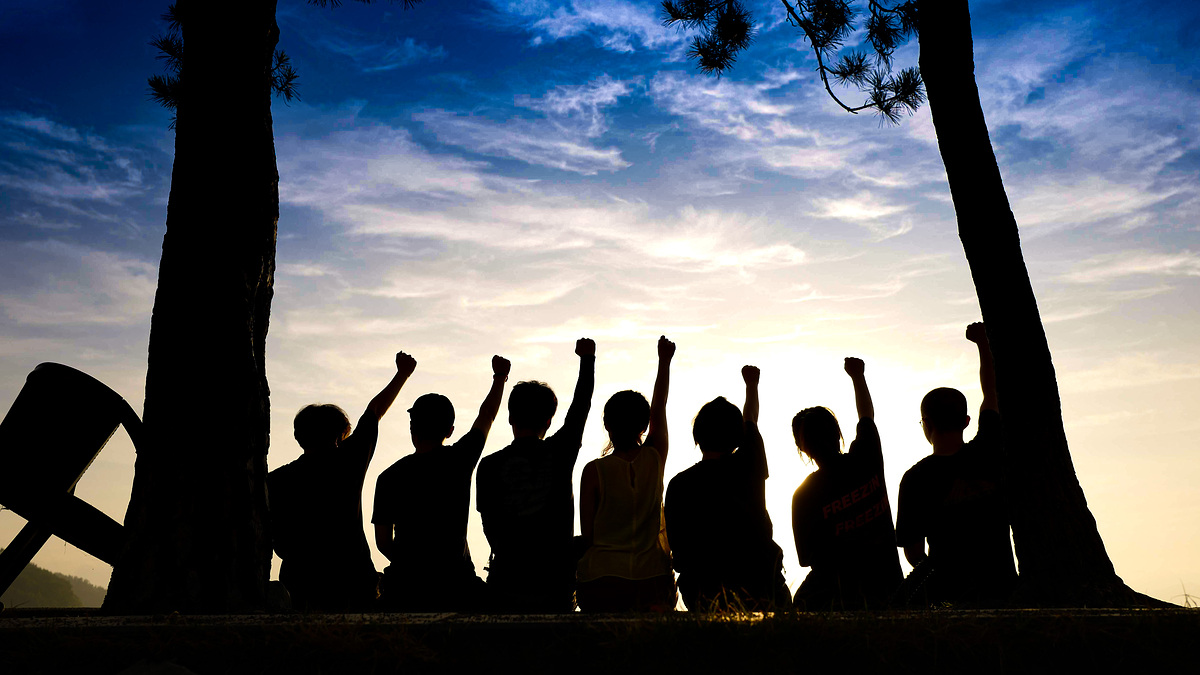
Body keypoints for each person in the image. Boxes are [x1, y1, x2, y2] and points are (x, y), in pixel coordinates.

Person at [269, 351, 416, 611]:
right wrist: (402, 374)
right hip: (352, 581)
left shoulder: (275, 480)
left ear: (299, 436)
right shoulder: (348, 461)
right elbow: (374, 411)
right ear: (339, 436)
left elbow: (277, 541)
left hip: (300, 584)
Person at [372, 354, 511, 612]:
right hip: (456, 585)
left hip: (404, 589)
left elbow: (383, 542)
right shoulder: (460, 459)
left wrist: (413, 566)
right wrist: (499, 378)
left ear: (412, 428)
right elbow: (487, 416)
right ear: (449, 430)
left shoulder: (389, 476)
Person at [895, 322, 1017, 606]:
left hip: (948, 593)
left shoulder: (915, 478)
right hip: (1002, 585)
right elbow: (992, 393)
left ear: (926, 424)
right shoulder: (988, 449)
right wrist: (983, 343)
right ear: (966, 421)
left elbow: (914, 553)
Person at [476, 338, 596, 612]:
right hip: (555, 587)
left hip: (505, 585)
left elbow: (490, 527)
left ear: (510, 418)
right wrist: (587, 359)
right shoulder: (561, 452)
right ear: (549, 420)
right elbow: (581, 406)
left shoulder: (489, 465)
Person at [665, 365, 791, 612]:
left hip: (704, 593)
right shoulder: (749, 463)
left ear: (697, 436)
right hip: (761, 586)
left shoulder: (679, 484)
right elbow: (750, 418)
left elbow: (679, 553)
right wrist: (751, 385)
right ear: (738, 437)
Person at [790, 357, 903, 610]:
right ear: (837, 433)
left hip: (834, 598)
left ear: (802, 448)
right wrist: (857, 376)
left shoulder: (803, 495)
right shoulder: (867, 454)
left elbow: (805, 558)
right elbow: (866, 415)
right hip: (889, 587)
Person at [576, 336, 676, 612]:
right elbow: (660, 406)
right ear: (644, 426)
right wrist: (664, 361)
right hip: (652, 579)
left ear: (607, 424)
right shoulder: (655, 458)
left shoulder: (594, 471)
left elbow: (588, 536)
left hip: (601, 581)